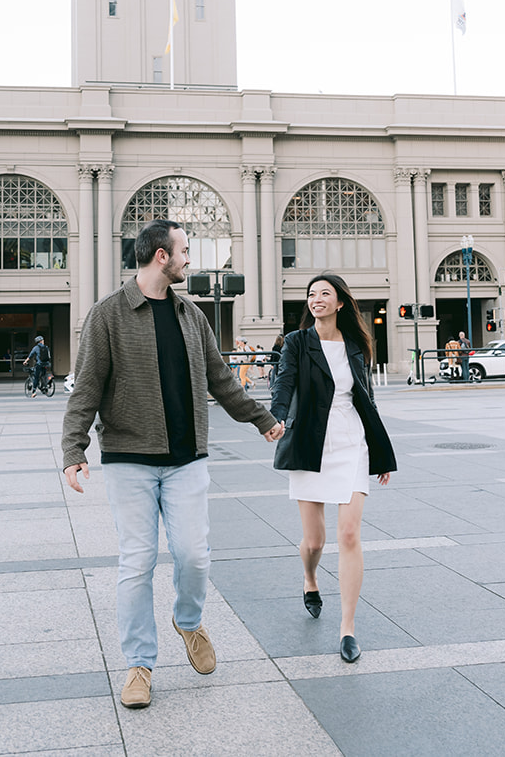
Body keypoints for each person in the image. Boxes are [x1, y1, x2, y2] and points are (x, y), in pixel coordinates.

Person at [62, 219, 284, 710]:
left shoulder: (190, 315)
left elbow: (221, 379)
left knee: (193, 555)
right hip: (129, 460)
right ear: (161, 256)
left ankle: (188, 621)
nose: (190, 259)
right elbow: (86, 389)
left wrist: (261, 419)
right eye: (185, 250)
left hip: (186, 459)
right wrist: (73, 451)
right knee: (137, 563)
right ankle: (139, 665)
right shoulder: (108, 315)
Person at [271, 273, 397, 664]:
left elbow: (367, 398)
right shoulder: (296, 342)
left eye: (325, 293)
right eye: (311, 294)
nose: (316, 299)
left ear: (340, 302)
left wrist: (379, 452)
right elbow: (284, 385)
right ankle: (310, 578)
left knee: (348, 534)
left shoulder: (357, 344)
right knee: (314, 542)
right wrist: (275, 418)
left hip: (350, 443)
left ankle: (347, 629)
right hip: (310, 442)